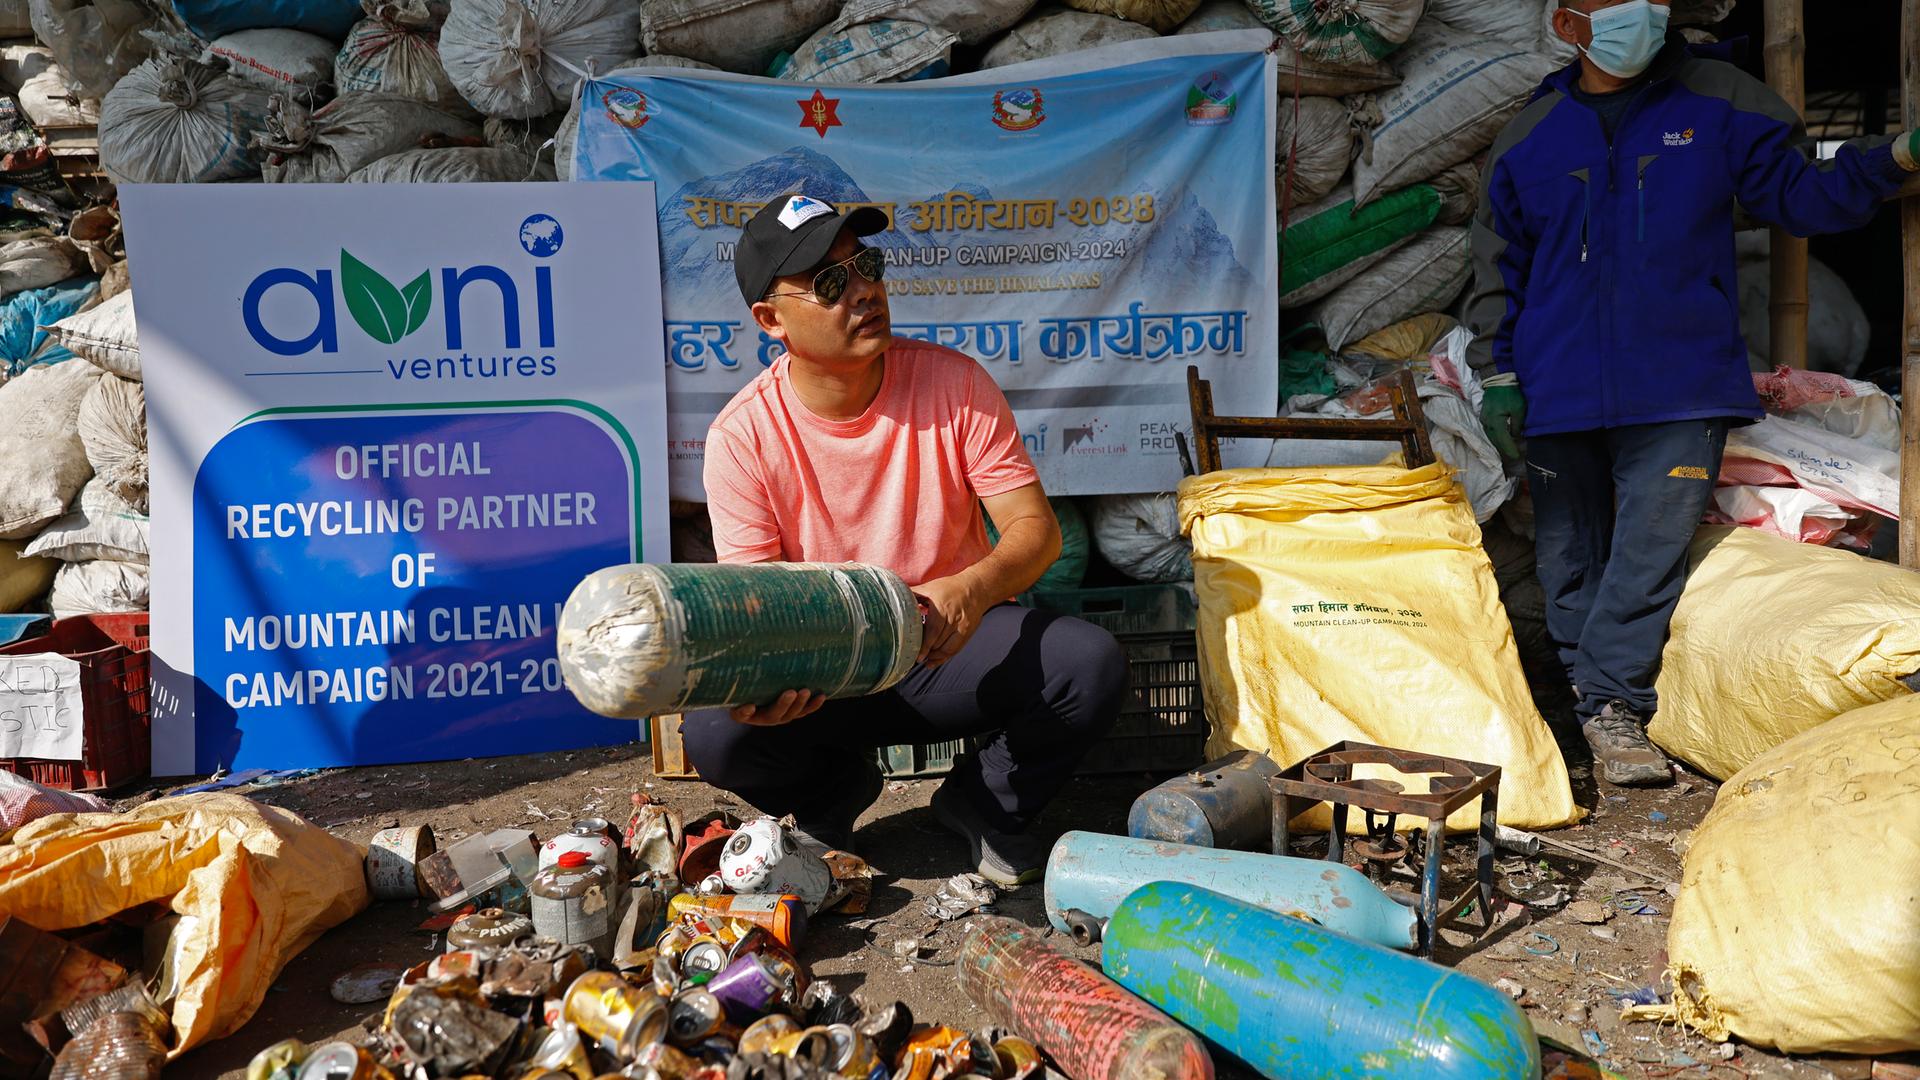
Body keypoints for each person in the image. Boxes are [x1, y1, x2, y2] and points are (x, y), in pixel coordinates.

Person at [1466, 0, 1920, 785]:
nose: (1642, 15)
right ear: (1568, 25)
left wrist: (1899, 157)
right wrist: (1497, 373)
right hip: (1558, 383)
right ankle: (1583, 700)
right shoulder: (1530, 135)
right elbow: (1496, 262)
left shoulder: (1722, 99)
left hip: (1680, 386)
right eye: (1614, 3)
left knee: (1647, 552)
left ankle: (1612, 706)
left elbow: (1801, 195)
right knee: (1569, 555)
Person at [680, 193, 1128, 885]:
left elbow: (1035, 532)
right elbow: (758, 599)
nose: (863, 291)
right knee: (716, 732)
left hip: (946, 648)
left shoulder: (954, 382)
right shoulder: (742, 436)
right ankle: (832, 794)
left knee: (1089, 664)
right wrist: (766, 680)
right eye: (830, 282)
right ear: (771, 320)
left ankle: (984, 802)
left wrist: (971, 589)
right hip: (827, 673)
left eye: (867, 266)